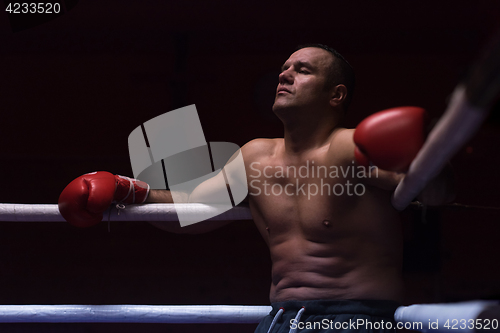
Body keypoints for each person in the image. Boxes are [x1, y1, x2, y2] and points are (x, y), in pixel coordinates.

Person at [59, 44, 455, 332]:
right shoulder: (255, 157)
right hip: (282, 318)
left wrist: (428, 160)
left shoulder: (352, 147)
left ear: (336, 95)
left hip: (359, 317)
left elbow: (432, 193)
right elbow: (192, 211)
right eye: (284, 68)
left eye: (302, 70)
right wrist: (130, 191)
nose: (284, 75)